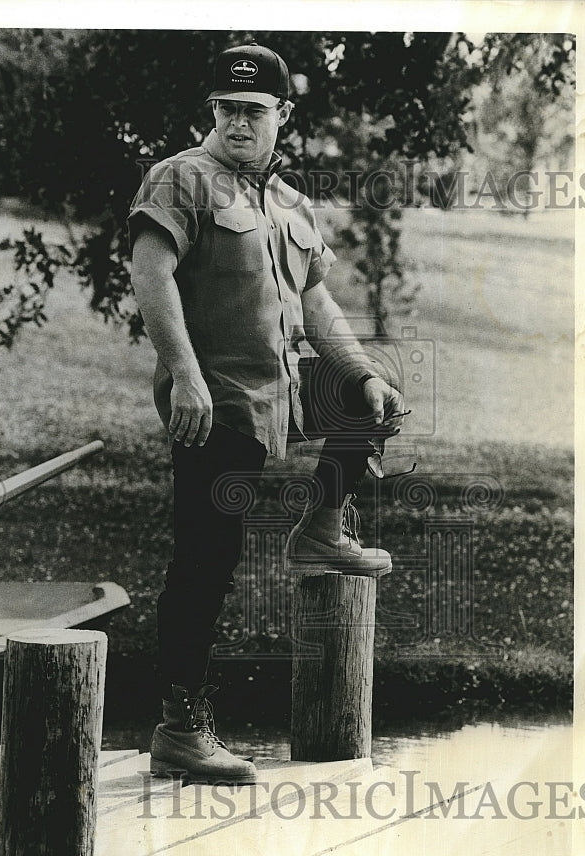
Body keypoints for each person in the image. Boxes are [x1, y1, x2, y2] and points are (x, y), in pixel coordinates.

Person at [128, 42, 405, 784]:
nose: (239, 124)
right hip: (217, 401)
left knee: (373, 396)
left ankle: (321, 528)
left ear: (283, 114)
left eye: (254, 111)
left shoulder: (286, 203)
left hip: (278, 392)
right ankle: (180, 728)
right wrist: (184, 376)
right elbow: (149, 274)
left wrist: (359, 371)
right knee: (205, 563)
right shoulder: (182, 176)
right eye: (227, 110)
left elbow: (317, 303)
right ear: (212, 112)